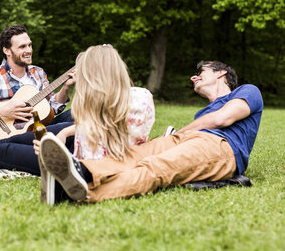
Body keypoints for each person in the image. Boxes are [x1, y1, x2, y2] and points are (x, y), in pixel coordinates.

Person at [0, 45, 155, 198]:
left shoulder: (137, 99)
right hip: (73, 141)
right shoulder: (125, 98)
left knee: (3, 151)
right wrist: (63, 134)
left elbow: (109, 139)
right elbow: (97, 126)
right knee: (16, 138)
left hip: (79, 162)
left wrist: (59, 143)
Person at [39, 56, 263, 204]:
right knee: (133, 154)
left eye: (200, 72)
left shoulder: (247, 90)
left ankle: (78, 194)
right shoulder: (201, 114)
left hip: (221, 147)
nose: (194, 77)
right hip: (186, 139)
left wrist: (180, 134)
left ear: (221, 73)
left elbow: (222, 118)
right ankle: (83, 171)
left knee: (156, 167)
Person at [0, 23, 74, 136]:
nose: (29, 50)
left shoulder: (38, 73)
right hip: (10, 137)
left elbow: (52, 108)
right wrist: (3, 112)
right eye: (22, 47)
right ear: (7, 50)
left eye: (29, 45)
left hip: (38, 127)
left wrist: (65, 88)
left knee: (75, 114)